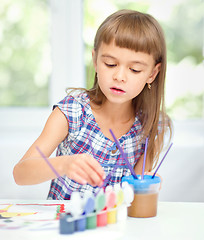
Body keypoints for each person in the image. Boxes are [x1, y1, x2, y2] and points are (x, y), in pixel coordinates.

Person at [13, 9, 172, 200]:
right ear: (95, 61)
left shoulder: (153, 126)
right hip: (63, 226)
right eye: (110, 64)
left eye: (134, 69)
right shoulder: (72, 112)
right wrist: (63, 164)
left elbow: (134, 195)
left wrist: (144, 187)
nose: (119, 77)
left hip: (116, 228)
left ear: (152, 74)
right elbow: (20, 174)